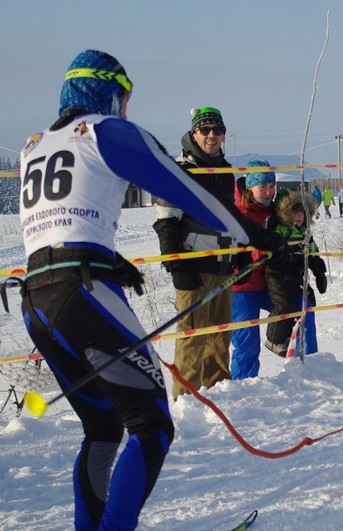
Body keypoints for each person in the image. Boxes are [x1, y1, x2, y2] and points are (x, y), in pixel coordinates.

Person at [18, 50, 283, 531]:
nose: (126, 108)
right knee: (152, 425)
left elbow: (60, 221)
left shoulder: (34, 145)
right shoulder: (105, 130)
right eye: (125, 97)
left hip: (36, 298)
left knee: (103, 427)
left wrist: (109, 257)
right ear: (110, 92)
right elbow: (187, 190)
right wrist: (254, 235)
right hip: (83, 291)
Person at [153, 106, 241, 399]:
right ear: (194, 133)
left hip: (222, 267)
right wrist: (176, 265)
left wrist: (238, 252)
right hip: (194, 268)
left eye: (218, 131)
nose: (212, 136)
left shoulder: (225, 171)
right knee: (192, 338)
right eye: (206, 130)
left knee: (219, 338)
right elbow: (166, 221)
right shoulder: (180, 170)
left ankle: (218, 395)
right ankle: (184, 401)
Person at [264, 190, 327, 357]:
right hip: (278, 275)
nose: (299, 217)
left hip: (297, 276)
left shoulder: (305, 232)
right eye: (295, 212)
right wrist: (293, 247)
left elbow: (312, 252)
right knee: (285, 304)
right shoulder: (281, 229)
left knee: (307, 305)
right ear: (285, 213)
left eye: (303, 213)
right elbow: (275, 246)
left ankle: (308, 354)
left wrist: (320, 271)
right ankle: (274, 339)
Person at [230, 160, 276, 379]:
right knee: (247, 344)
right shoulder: (238, 213)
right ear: (250, 187)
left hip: (271, 283)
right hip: (243, 287)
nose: (268, 192)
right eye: (263, 187)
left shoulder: (277, 212)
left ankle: (308, 368)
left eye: (271, 186)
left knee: (301, 308)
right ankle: (243, 386)